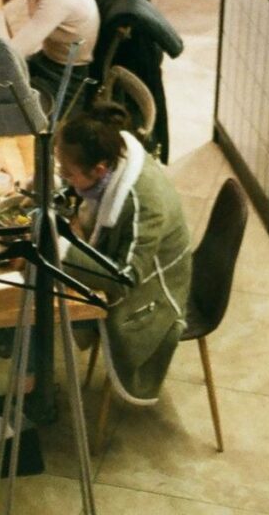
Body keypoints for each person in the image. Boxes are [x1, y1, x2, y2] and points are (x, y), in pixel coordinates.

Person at [56, 103, 191, 404]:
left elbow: (126, 278)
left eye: (68, 172)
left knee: (44, 301)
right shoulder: (113, 154)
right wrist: (58, 188)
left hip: (155, 292)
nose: (64, 176)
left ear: (100, 170)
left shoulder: (143, 203)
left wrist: (60, 248)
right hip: (138, 268)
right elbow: (85, 196)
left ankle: (32, 397)